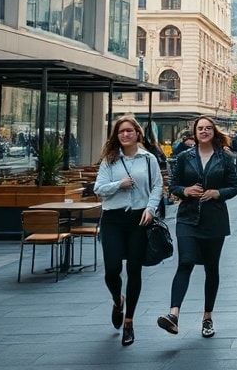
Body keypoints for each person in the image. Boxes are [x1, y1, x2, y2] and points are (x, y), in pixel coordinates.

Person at [158, 116, 237, 339]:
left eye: (208, 128)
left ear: (214, 131)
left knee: (211, 268)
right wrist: (185, 191)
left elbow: (233, 187)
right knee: (185, 262)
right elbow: (173, 186)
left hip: (214, 220)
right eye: (200, 128)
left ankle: (207, 317)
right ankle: (173, 314)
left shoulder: (224, 157)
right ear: (194, 132)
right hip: (187, 218)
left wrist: (217, 193)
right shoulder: (185, 157)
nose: (204, 131)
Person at [94, 115, 163, 347]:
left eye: (129, 131)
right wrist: (118, 185)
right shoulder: (109, 160)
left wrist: (151, 208)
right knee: (112, 270)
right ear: (116, 135)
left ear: (137, 134)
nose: (125, 135)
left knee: (134, 270)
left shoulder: (148, 159)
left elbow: (157, 185)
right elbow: (98, 189)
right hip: (113, 219)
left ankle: (129, 322)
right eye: (121, 132)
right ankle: (117, 300)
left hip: (139, 218)